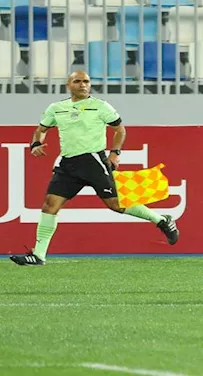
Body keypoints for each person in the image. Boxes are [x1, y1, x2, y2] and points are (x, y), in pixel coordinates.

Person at [9, 71, 179, 266]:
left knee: (116, 204)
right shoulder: (56, 108)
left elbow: (120, 129)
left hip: (93, 161)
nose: (83, 85)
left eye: (86, 81)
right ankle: (39, 255)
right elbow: (41, 130)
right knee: (50, 205)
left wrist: (115, 153)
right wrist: (36, 144)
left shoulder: (101, 106)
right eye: (77, 81)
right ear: (68, 85)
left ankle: (161, 220)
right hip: (68, 164)